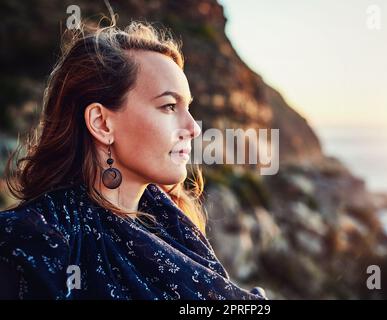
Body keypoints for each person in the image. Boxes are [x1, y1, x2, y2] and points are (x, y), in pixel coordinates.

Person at [0, 21, 266, 300]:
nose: (193, 128)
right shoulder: (29, 244)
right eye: (169, 106)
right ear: (102, 123)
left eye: (188, 107)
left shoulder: (175, 228)